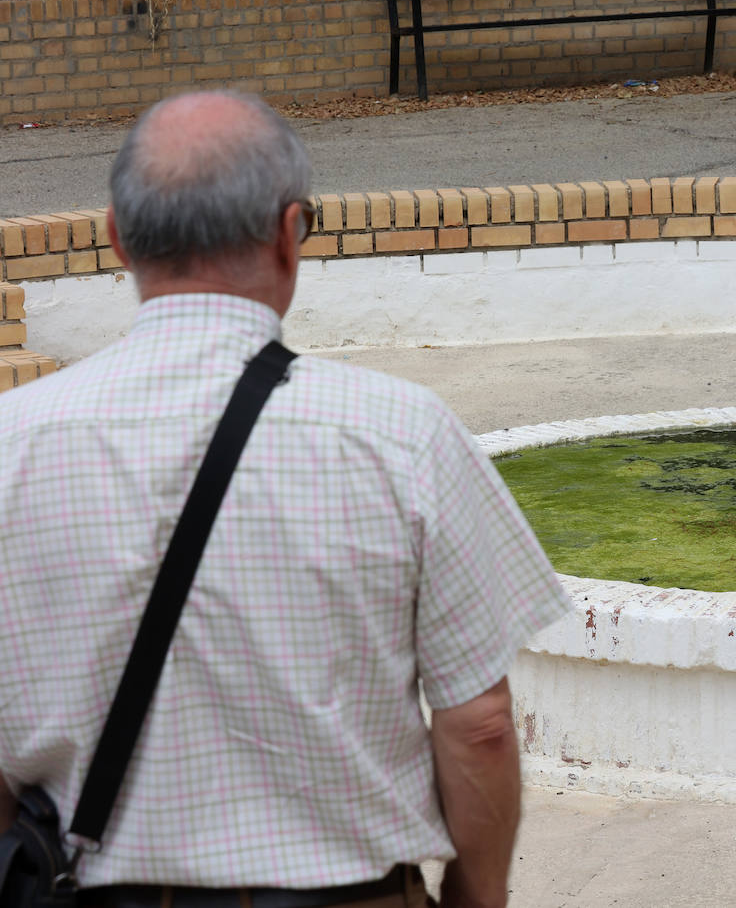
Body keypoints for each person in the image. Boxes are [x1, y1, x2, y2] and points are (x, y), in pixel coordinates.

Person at [0, 90, 571, 908]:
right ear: (288, 230)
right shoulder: (403, 433)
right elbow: (478, 722)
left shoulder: (10, 440)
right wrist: (477, 896)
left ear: (119, 238)